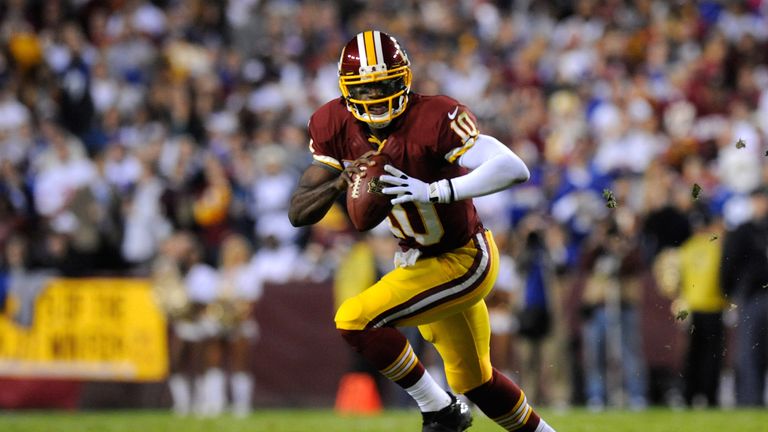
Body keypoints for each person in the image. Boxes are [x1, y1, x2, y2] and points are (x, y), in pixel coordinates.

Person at [289, 30, 556, 432]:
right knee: (476, 382)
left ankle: (440, 410)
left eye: (386, 83)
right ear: (347, 90)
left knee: (354, 318)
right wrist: (339, 182)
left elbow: (513, 167)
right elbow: (299, 212)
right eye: (367, 86)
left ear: (405, 78)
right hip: (417, 259)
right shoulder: (332, 123)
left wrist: (438, 190)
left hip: (465, 257)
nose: (377, 94)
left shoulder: (436, 116)